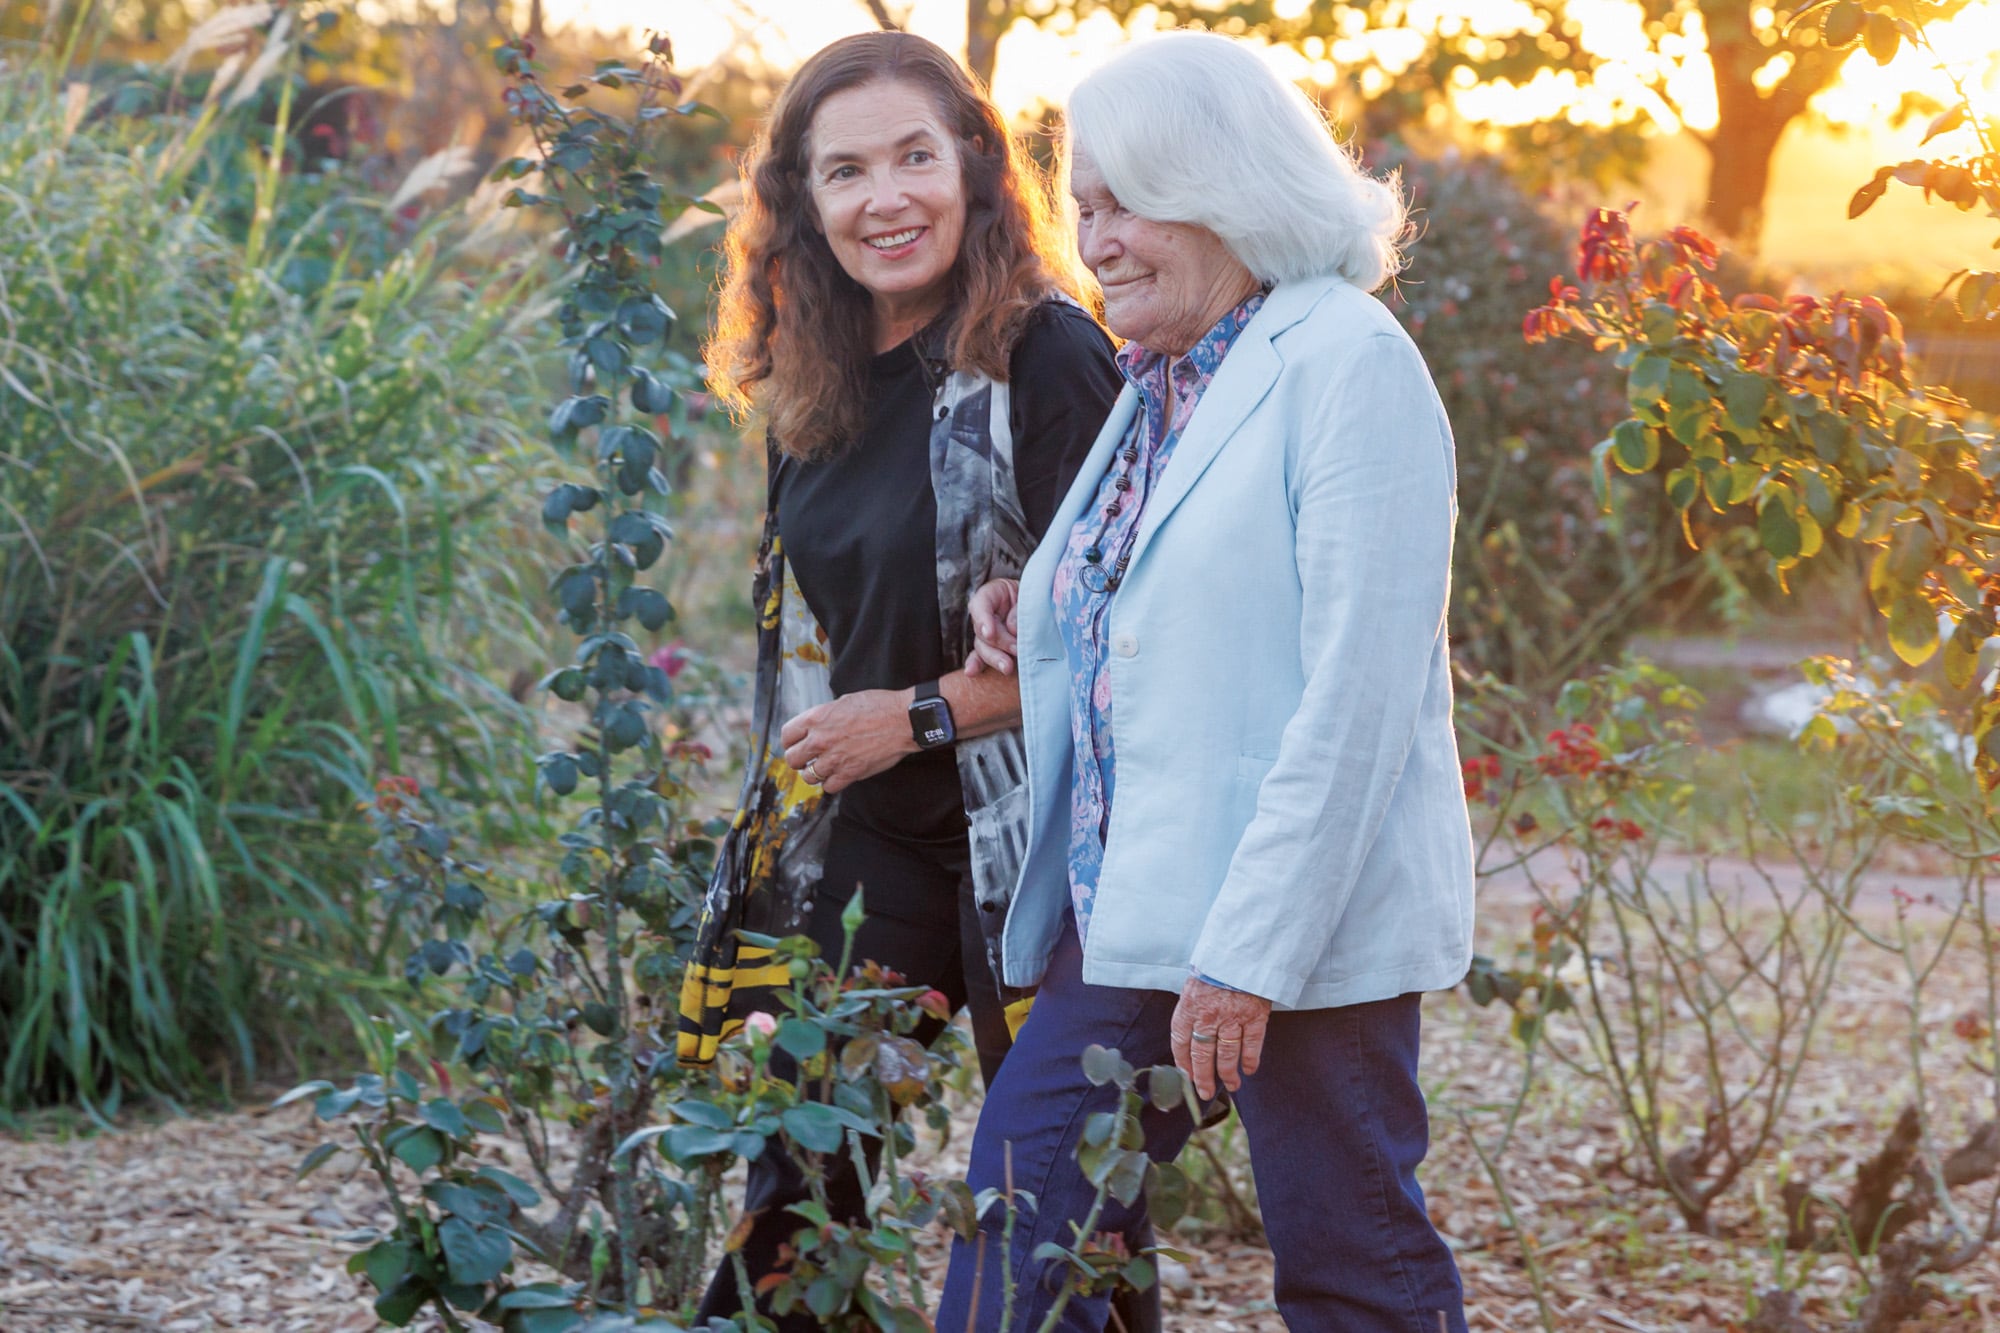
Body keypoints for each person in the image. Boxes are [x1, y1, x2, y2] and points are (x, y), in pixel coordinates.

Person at [936, 31, 1476, 1333]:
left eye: (1130, 201)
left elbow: (1354, 696)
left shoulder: (1348, 364)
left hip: (1301, 923)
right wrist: (1049, 603)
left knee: (1352, 1267)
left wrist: (1248, 960)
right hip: (1132, 903)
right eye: (1088, 210)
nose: (1098, 239)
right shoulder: (1166, 381)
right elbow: (1180, 602)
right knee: (1014, 1232)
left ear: (1229, 185)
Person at [676, 31, 1135, 1331]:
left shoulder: (1047, 355)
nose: (887, 198)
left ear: (976, 166)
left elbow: (1122, 642)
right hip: (881, 847)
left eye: (914, 157)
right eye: (846, 171)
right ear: (803, 206)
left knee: (1065, 1211)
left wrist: (921, 714)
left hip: (1036, 849)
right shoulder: (815, 383)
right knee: (801, 1185)